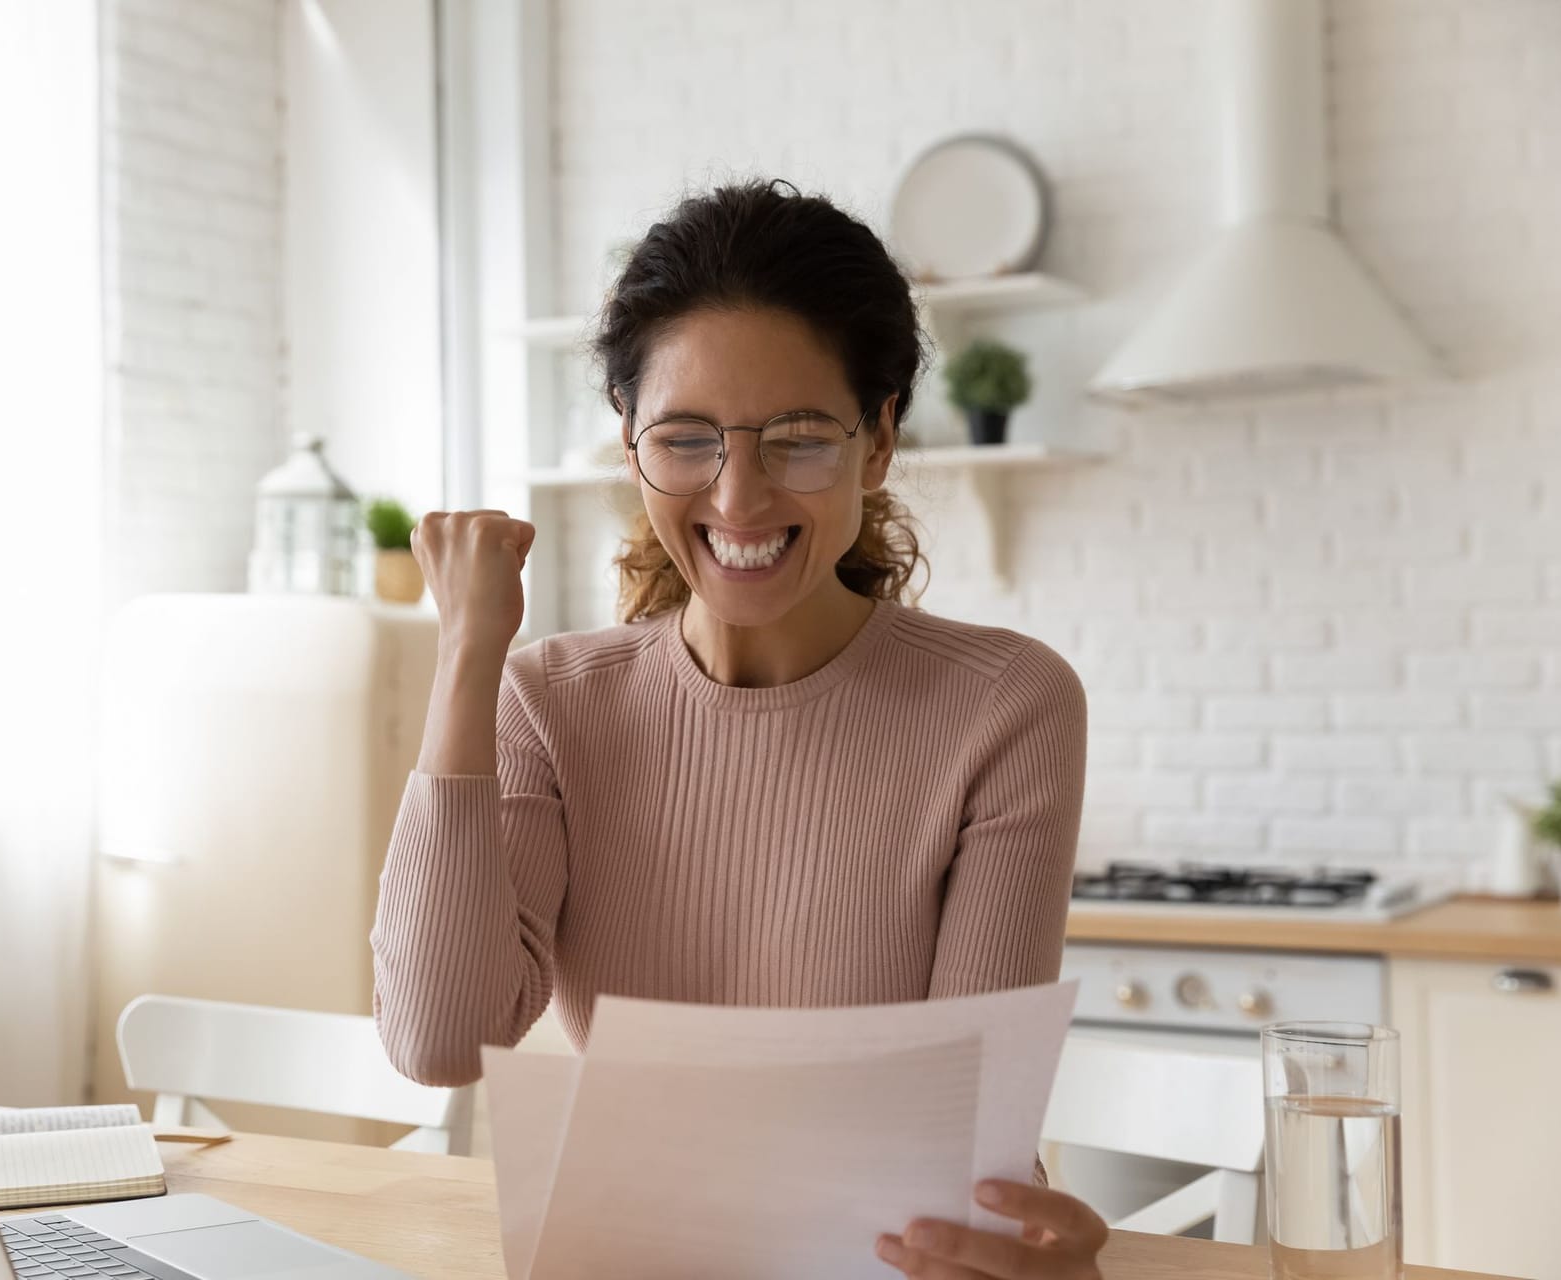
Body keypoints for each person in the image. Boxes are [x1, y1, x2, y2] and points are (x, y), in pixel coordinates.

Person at [370, 179, 1104, 1279]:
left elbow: (970, 1137)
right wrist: (469, 656)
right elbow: (435, 1039)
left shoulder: (1005, 704)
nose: (740, 494)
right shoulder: (551, 701)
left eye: (799, 438)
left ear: (879, 439)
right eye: (688, 438)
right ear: (631, 445)